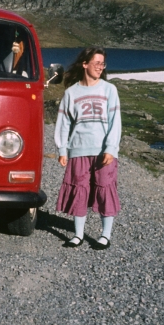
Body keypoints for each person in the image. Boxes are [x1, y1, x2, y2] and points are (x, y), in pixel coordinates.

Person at [54, 47, 121, 249]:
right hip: (78, 151)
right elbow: (63, 123)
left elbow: (114, 121)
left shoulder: (109, 90)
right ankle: (78, 235)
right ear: (85, 64)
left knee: (104, 190)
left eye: (103, 64)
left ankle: (105, 235)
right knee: (79, 191)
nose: (100, 67)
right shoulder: (71, 93)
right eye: (97, 63)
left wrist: (111, 148)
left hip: (103, 152)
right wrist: (62, 150)